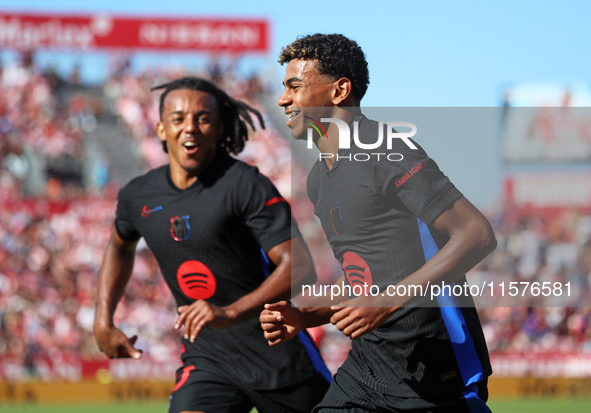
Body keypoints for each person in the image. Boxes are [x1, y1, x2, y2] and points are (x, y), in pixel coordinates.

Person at [260, 34, 497, 412]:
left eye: (295, 86)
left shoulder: (388, 149)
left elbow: (477, 234)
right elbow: (365, 279)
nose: (283, 99)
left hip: (435, 366)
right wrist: (306, 316)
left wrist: (387, 301)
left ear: (339, 91)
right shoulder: (319, 180)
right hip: (368, 367)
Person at [94, 76, 330, 413]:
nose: (190, 127)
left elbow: (301, 269)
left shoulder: (246, 185)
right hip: (208, 360)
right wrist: (103, 320)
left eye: (202, 118)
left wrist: (230, 312)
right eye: (178, 119)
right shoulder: (138, 196)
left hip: (279, 355)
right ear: (161, 129)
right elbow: (119, 246)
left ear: (220, 129)